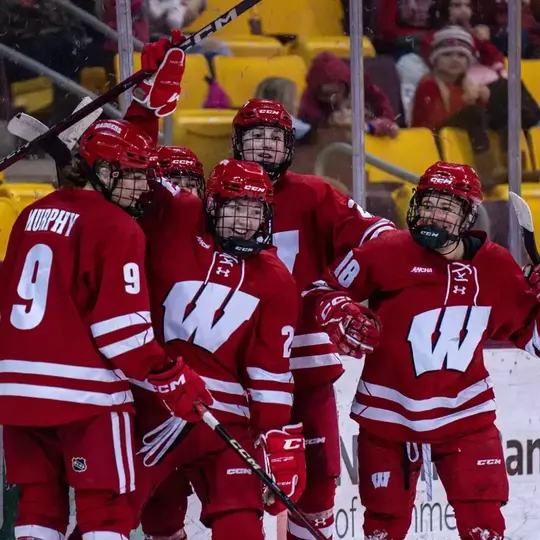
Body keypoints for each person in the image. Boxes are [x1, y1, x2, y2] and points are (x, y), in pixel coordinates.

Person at [0, 116, 213, 540]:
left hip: (16, 392)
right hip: (85, 396)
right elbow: (123, 336)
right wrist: (170, 377)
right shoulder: (117, 226)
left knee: (40, 506)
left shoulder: (30, 214)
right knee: (108, 509)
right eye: (133, 175)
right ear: (102, 172)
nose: (142, 187)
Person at [304, 161, 540, 540]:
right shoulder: (386, 251)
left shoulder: (497, 266)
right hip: (386, 418)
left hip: (466, 417)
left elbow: (533, 338)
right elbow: (319, 290)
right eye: (428, 202)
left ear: (467, 214)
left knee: (485, 526)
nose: (433, 213)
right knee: (383, 527)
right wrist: (338, 310)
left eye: (445, 206)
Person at [231, 98, 395, 540]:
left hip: (305, 364)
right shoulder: (219, 196)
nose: (265, 147)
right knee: (235, 486)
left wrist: (420, 263)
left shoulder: (313, 193)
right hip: (238, 368)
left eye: (274, 138)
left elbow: (377, 236)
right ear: (236, 144)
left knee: (318, 482)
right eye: (255, 137)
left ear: (288, 146)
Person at [131, 158, 306, 540]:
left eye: (255, 210)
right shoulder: (177, 226)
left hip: (223, 422)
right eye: (235, 208)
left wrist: (274, 440)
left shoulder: (276, 280)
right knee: (113, 517)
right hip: (151, 406)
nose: (246, 221)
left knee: (241, 524)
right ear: (211, 205)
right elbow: (138, 179)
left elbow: (270, 373)